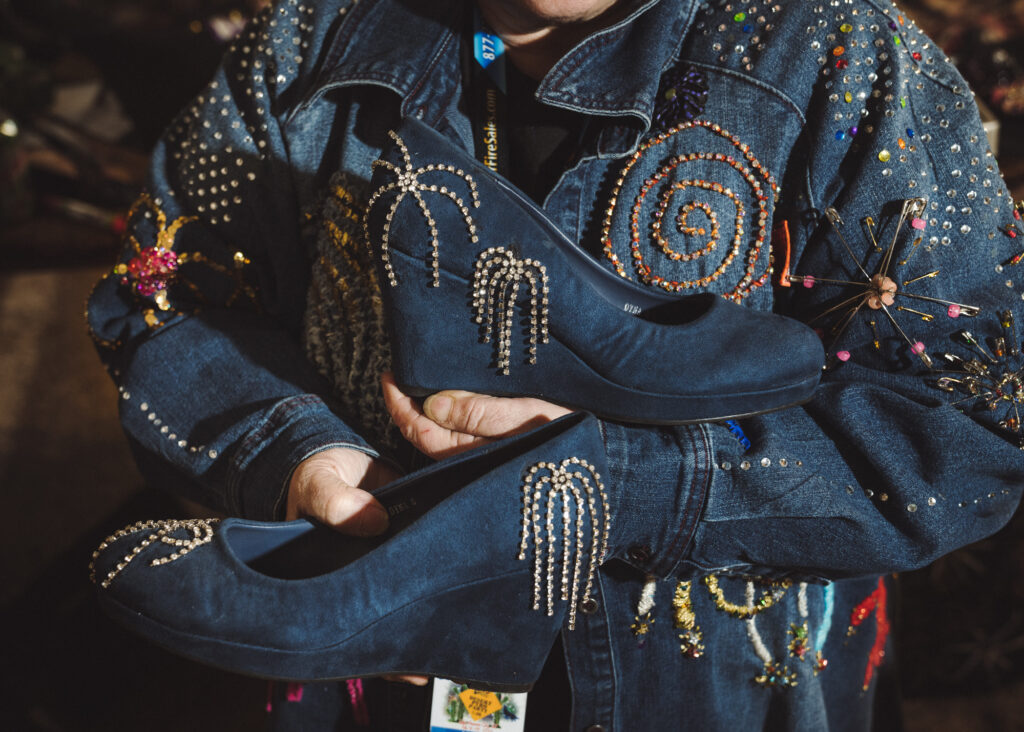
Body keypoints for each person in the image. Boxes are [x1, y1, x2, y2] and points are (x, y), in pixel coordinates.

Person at [86, 0, 1024, 729]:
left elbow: (971, 418)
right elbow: (165, 292)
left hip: (722, 693)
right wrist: (303, 460)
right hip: (379, 674)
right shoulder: (304, 39)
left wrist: (629, 484)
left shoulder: (838, 53)